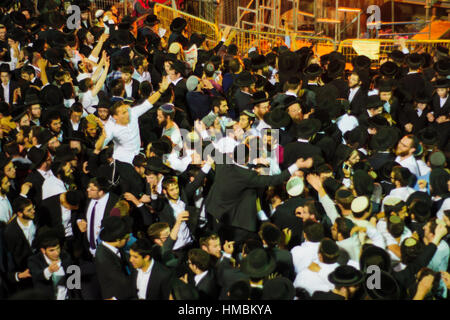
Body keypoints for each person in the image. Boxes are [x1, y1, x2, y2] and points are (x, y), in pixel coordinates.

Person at [94, 216, 134, 300]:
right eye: (126, 238)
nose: (129, 239)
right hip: (116, 295)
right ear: (118, 240)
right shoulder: (103, 258)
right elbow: (122, 281)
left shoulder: (115, 247)